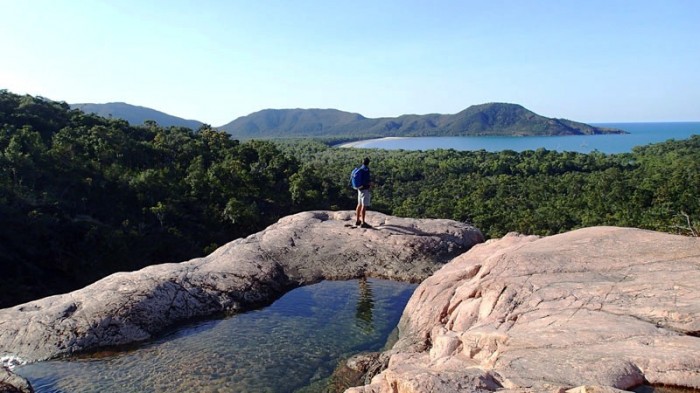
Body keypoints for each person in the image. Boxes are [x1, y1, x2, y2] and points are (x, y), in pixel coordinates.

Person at [354, 157, 372, 228]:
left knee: (359, 204)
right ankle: (363, 222)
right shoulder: (366, 170)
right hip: (365, 189)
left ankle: (358, 220)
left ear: (362, 162)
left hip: (359, 188)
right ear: (368, 163)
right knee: (364, 206)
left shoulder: (360, 169)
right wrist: (370, 184)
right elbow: (367, 180)